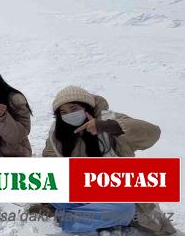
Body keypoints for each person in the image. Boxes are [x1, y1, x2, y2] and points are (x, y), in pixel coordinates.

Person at [39, 86, 176, 235]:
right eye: (63, 112)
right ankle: (90, 216)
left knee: (125, 210)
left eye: (74, 109)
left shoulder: (109, 121)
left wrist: (106, 126)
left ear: (87, 107)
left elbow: (152, 133)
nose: (69, 115)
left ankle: (67, 219)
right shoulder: (58, 133)